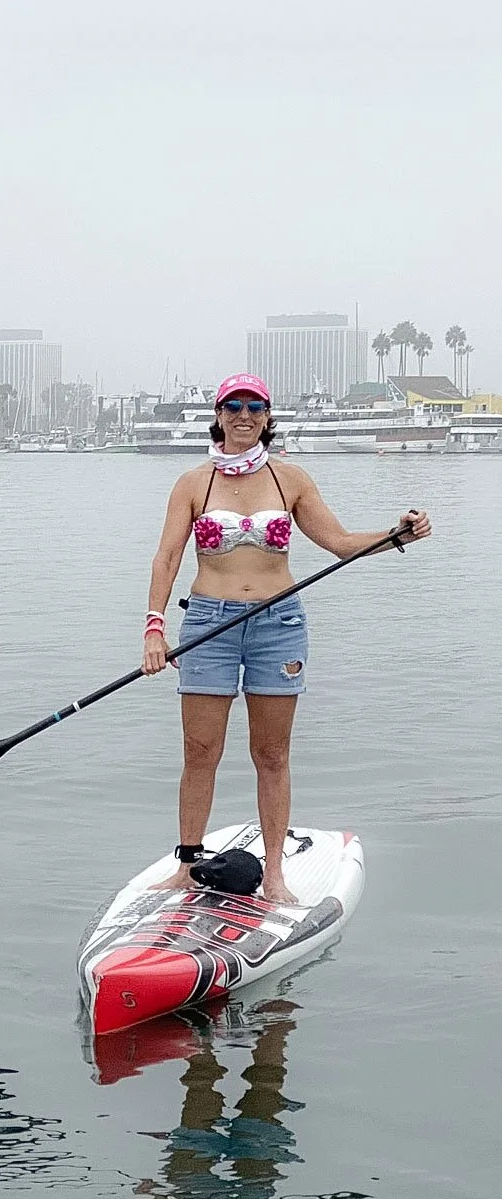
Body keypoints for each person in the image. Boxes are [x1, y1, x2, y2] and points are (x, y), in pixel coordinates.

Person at [142, 372, 431, 903]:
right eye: (234, 406)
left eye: (255, 407)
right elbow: (167, 558)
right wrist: (155, 627)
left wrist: (398, 535)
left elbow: (341, 543)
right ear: (219, 415)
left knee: (271, 753)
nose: (244, 416)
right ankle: (186, 865)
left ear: (268, 417)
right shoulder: (192, 483)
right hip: (209, 624)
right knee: (199, 750)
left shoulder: (291, 480)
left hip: (279, 627)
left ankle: (275, 874)